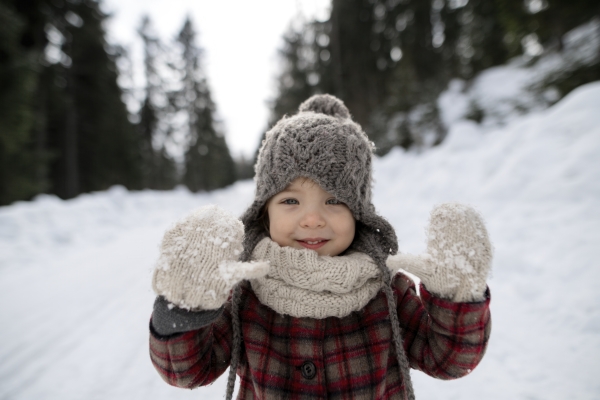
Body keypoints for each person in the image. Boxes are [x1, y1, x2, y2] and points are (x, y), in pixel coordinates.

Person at [149, 94, 492, 400]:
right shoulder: (246, 294)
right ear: (263, 213)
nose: (312, 219)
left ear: (359, 214)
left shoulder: (387, 290)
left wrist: (458, 295)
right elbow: (187, 371)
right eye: (290, 200)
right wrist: (185, 307)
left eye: (333, 200)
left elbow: (449, 360)